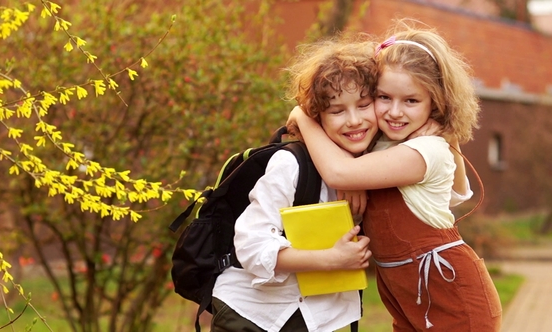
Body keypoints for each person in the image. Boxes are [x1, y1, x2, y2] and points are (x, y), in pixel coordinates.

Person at [288, 22, 502, 331]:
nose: (394, 112)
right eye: (383, 97)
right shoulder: (383, 143)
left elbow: (339, 173)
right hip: (405, 295)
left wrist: (302, 116)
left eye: (411, 101)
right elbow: (455, 193)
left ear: (436, 103)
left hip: (450, 293)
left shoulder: (423, 150)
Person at [210, 36, 377, 332]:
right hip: (254, 314)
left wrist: (355, 173)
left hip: (321, 319)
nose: (354, 120)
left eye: (364, 105)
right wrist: (331, 260)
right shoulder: (292, 165)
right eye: (337, 111)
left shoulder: (379, 164)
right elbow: (251, 245)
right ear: (317, 117)